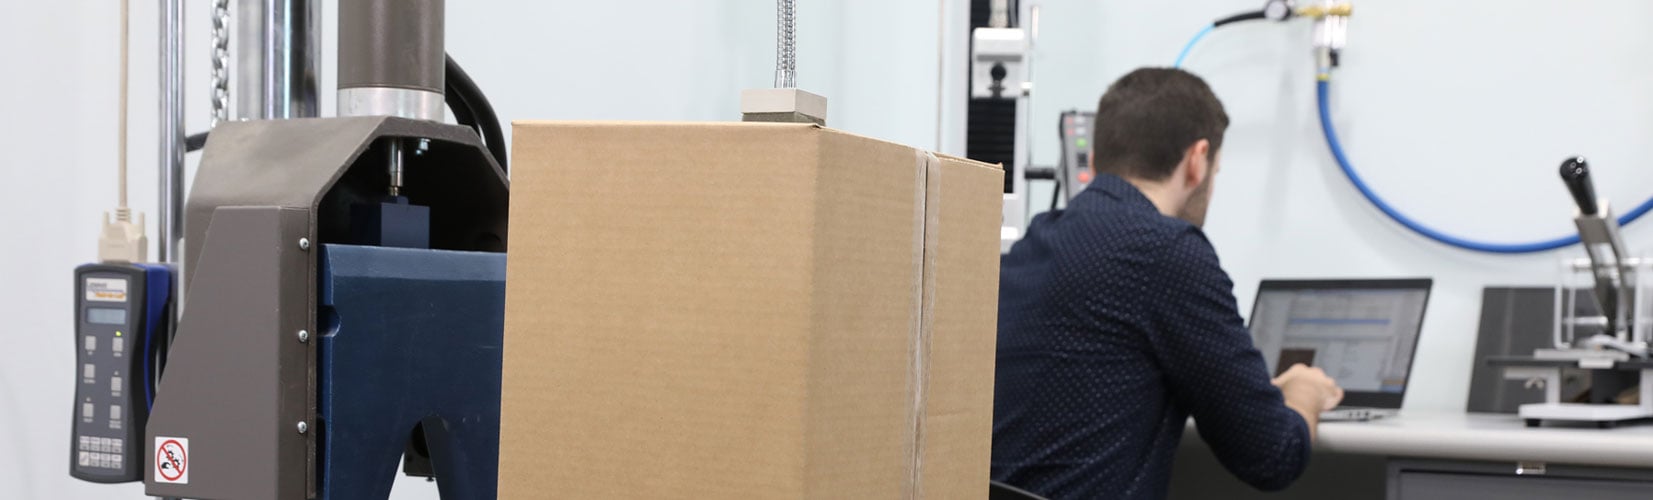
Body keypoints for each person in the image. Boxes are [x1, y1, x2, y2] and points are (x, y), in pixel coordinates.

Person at [991, 67, 1345, 499]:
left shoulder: (1037, 241)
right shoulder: (1168, 253)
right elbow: (1272, 454)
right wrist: (1305, 392)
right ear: (1197, 160)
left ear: (1099, 161)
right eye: (1217, 170)